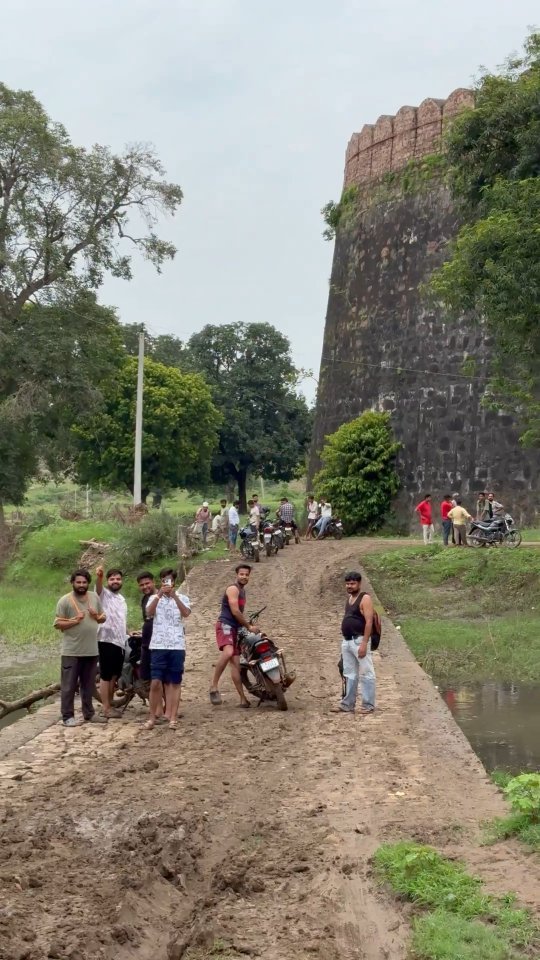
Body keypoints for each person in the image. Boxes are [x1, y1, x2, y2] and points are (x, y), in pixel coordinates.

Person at [54, 569, 107, 727]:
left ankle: (89, 714)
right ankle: (67, 717)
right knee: (69, 686)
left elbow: (103, 617)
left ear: (88, 583)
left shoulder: (94, 597)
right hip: (72, 652)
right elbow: (57, 623)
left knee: (88, 685)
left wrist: (96, 616)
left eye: (84, 582)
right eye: (78, 582)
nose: (81, 585)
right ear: (72, 583)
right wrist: (74, 621)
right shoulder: (65, 600)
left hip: (91, 650)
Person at [144, 568, 191, 730]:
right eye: (164, 580)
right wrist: (159, 595)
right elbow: (149, 612)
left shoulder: (183, 598)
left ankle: (173, 717)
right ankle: (152, 717)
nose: (167, 583)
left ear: (174, 582)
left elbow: (186, 613)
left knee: (175, 681)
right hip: (158, 645)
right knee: (155, 682)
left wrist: (175, 596)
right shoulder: (153, 598)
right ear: (160, 581)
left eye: (169, 580)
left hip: (177, 645)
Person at [209, 563, 259, 707]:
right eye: (241, 574)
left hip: (235, 628)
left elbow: (239, 614)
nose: (244, 577)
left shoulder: (242, 591)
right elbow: (235, 611)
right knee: (228, 651)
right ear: (237, 575)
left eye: (247, 575)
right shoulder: (233, 589)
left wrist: (245, 625)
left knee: (236, 664)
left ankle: (243, 699)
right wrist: (249, 627)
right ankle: (213, 686)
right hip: (225, 625)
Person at [334, 571, 376, 715]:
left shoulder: (365, 598)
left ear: (359, 583)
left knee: (366, 672)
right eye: (347, 584)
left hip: (359, 640)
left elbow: (369, 622)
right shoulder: (350, 599)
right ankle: (347, 704)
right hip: (347, 641)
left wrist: (364, 642)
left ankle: (368, 705)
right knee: (349, 673)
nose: (349, 586)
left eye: (352, 583)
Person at [95, 566, 128, 719]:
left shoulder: (121, 599)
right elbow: (98, 587)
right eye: (112, 579)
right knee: (106, 675)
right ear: (108, 581)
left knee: (114, 675)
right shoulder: (103, 594)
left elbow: (121, 620)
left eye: (118, 579)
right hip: (106, 639)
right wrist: (99, 577)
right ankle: (106, 708)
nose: (115, 581)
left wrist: (128, 632)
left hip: (120, 641)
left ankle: (110, 703)